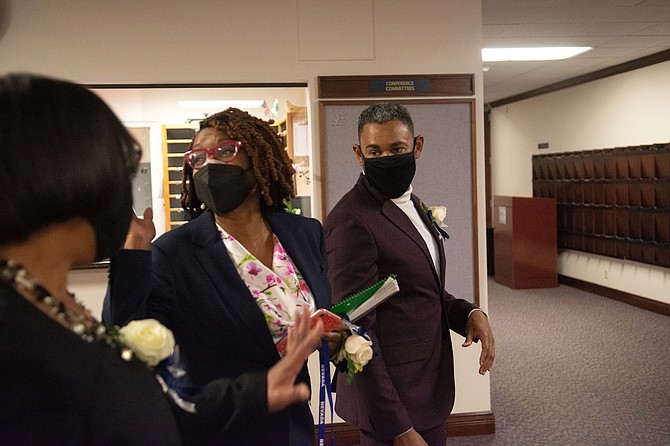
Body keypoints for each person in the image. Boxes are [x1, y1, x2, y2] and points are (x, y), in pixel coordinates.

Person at [0, 73, 323, 446]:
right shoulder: (16, 337)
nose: (122, 191)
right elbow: (125, 351)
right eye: (116, 172)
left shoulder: (41, 299)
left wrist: (254, 393)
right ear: (59, 181)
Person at [104, 107, 336, 445]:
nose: (209, 166)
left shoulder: (304, 233)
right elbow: (125, 338)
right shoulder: (175, 252)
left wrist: (337, 331)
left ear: (256, 161)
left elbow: (319, 309)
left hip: (293, 425)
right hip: (223, 428)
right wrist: (134, 252)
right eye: (197, 157)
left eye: (225, 151)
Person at [323, 102, 496, 446]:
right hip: (394, 404)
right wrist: (397, 427)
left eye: (397, 149)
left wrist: (469, 314)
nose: (386, 158)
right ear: (359, 154)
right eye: (375, 151)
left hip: (426, 389)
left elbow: (418, 290)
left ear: (416, 146)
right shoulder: (351, 220)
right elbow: (354, 333)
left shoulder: (413, 205)